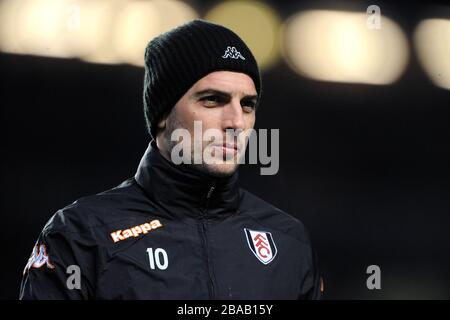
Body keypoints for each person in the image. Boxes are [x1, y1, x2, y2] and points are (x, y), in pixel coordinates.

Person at [20, 19, 322, 300]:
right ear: (163, 114)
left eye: (247, 104)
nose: (236, 122)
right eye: (213, 100)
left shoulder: (289, 243)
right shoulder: (82, 235)